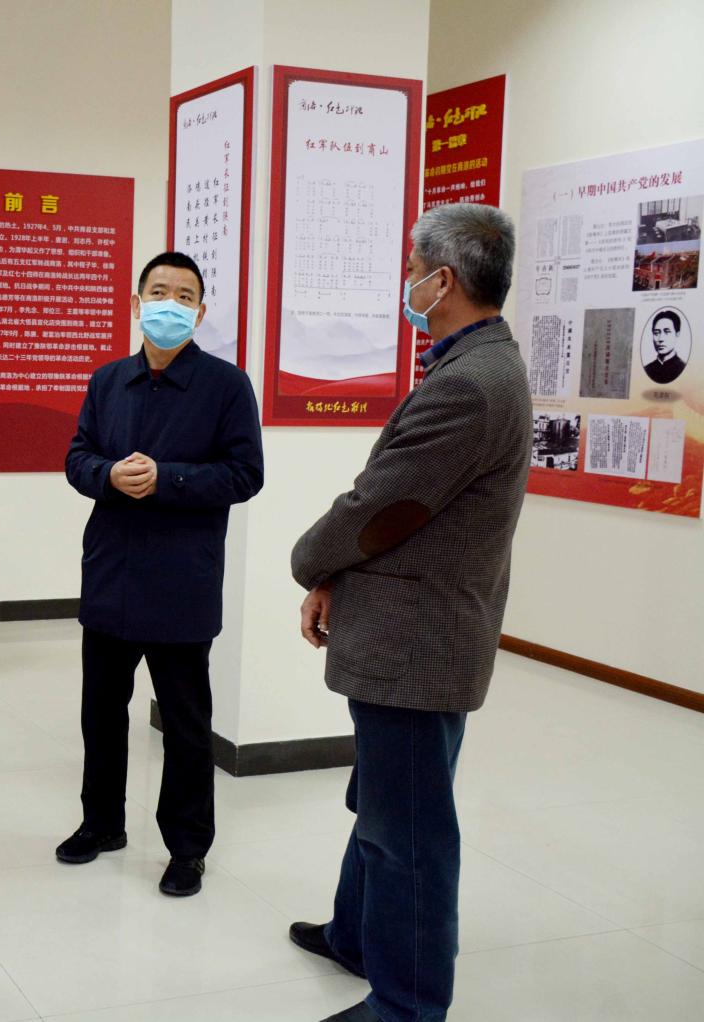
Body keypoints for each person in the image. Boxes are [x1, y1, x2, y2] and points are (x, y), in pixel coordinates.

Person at [289, 203, 531, 1022]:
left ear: (445, 280)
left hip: (416, 644)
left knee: (410, 836)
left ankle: (408, 1005)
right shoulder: (476, 362)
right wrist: (338, 576)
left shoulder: (471, 383)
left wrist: (311, 562)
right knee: (383, 804)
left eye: (413, 269)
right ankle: (355, 936)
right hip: (412, 628)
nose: (407, 283)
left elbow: (383, 504)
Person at [57, 251, 264, 898]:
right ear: (136, 303)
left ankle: (186, 848)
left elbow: (245, 474)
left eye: (184, 296)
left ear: (199, 313)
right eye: (158, 292)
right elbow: (77, 457)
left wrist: (167, 479)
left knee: (184, 724)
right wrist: (108, 474)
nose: (169, 304)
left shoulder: (227, 386)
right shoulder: (107, 380)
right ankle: (101, 823)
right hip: (111, 573)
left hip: (182, 581)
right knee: (100, 713)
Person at [643, 309, 688, 384]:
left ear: (677, 334)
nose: (661, 339)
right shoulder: (647, 370)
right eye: (656, 333)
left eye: (667, 332)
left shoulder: (683, 369)